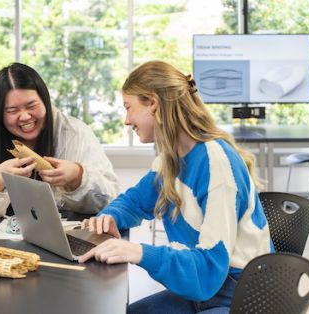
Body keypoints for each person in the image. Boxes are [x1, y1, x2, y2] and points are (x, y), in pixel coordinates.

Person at [79, 61, 273, 313]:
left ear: (153, 103)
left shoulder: (216, 163)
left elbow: (209, 269)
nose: (127, 120)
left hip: (237, 293)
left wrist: (139, 252)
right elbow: (134, 201)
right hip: (204, 287)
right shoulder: (170, 158)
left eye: (129, 108)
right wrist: (109, 217)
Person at [0, 63, 119, 218]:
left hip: (66, 237)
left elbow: (110, 198)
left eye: (31, 106)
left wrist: (77, 176)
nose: (24, 116)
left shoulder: (75, 132)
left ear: (45, 100)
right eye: (12, 110)